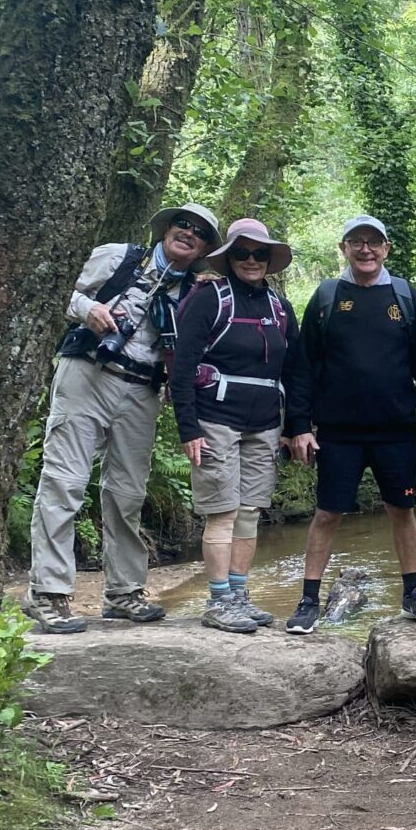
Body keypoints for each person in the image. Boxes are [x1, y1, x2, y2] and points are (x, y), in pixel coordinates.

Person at [24, 204, 221, 633]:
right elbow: (58, 292)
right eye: (182, 224)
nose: (188, 232)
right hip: (87, 373)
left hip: (143, 390)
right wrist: (87, 311)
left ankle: (124, 592)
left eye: (200, 232)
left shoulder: (195, 289)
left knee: (128, 491)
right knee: (65, 480)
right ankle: (48, 593)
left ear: (205, 247)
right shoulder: (119, 257)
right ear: (167, 229)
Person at [282, 215, 416, 632]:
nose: (366, 249)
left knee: (402, 509)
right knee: (327, 514)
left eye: (374, 242)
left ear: (386, 248)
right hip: (339, 432)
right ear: (344, 249)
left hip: (395, 429)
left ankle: (412, 593)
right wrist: (299, 424)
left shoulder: (406, 297)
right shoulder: (326, 297)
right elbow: (303, 367)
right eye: (356, 242)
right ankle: (308, 601)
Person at [170, 218, 302, 632]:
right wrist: (188, 428)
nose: (251, 260)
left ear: (268, 259)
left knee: (249, 512)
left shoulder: (279, 307)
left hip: (264, 423)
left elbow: (296, 370)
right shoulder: (208, 297)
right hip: (215, 420)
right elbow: (183, 365)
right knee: (222, 512)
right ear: (228, 257)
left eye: (259, 253)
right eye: (242, 253)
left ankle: (240, 596)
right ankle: (219, 600)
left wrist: (295, 426)